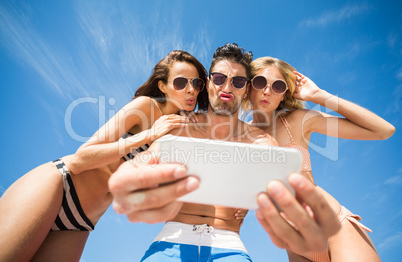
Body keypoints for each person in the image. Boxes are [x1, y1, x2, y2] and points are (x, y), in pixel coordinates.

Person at [109, 43, 341, 261]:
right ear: (209, 83)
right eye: (219, 78)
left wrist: (256, 195)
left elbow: (287, 189)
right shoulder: (177, 126)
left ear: (246, 89)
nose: (227, 87)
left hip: (229, 245)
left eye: (238, 82)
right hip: (171, 240)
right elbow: (140, 166)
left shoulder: (261, 141)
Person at [0, 50, 208, 261]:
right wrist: (149, 135)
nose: (190, 90)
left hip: (82, 223)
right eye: (181, 83)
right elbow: (82, 158)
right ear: (163, 86)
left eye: (197, 83)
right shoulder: (146, 107)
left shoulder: (182, 129)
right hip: (59, 187)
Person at [244, 56, 395, 261]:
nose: (267, 91)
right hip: (294, 245)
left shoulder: (297, 121)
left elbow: (383, 130)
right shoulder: (239, 137)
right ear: (247, 86)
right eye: (260, 82)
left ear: (284, 95)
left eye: (278, 86)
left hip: (334, 227)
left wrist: (319, 95)